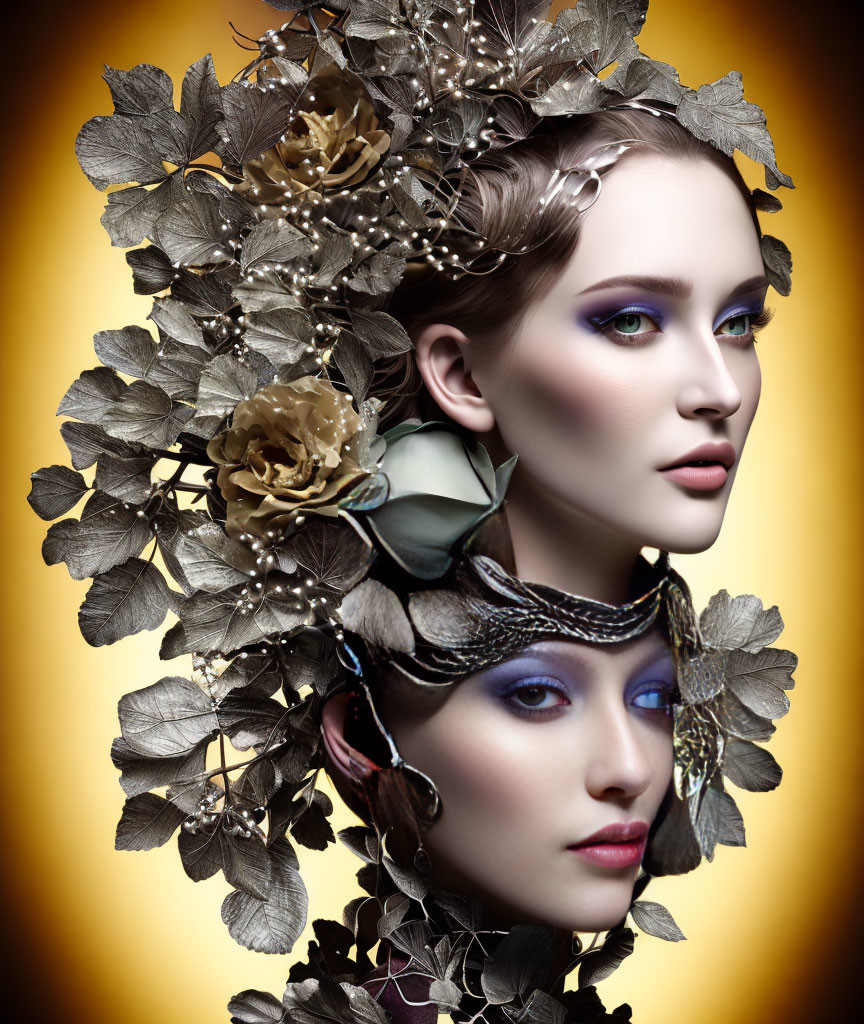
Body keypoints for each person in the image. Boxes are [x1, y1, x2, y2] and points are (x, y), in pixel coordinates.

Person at [29, 2, 797, 1022]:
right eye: (630, 319)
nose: (721, 386)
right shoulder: (389, 620)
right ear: (456, 370)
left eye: (739, 320)